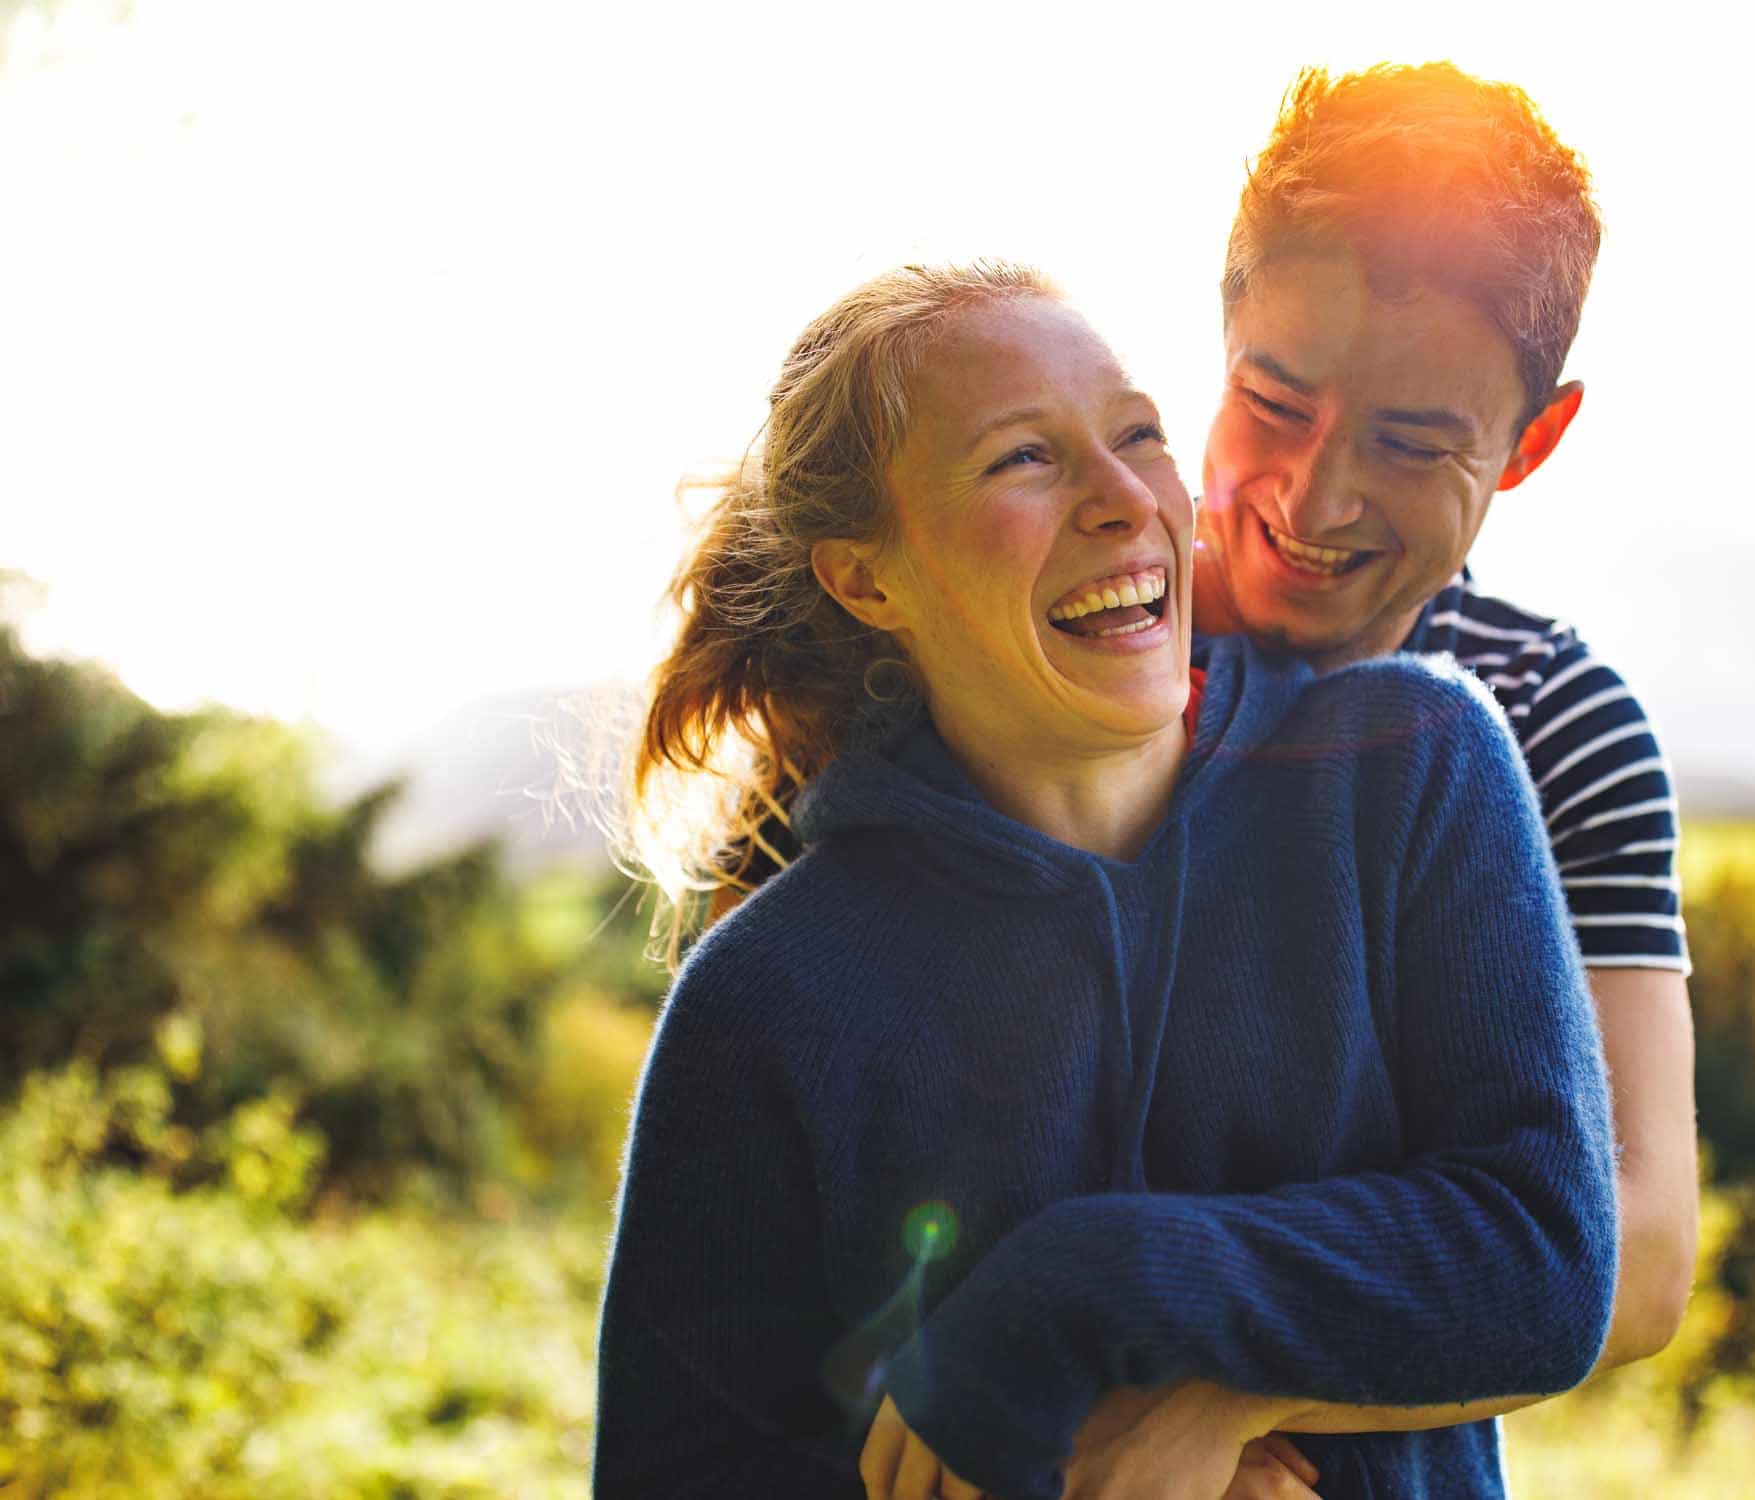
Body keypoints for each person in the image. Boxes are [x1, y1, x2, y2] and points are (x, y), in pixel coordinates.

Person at [594, 261, 1617, 1499]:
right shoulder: (765, 999)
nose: (1126, 498)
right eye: (1023, 458)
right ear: (866, 577)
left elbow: (1545, 1265)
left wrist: (1086, 1290)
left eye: (1139, 435)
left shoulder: (1410, 767)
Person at [1191, 62, 1700, 1392]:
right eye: (1273, 405)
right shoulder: (1053, 625)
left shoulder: (1552, 722)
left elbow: (1638, 1256)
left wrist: (1227, 1395)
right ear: (1223, 321)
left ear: (1531, 441)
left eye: (1412, 447)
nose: (1312, 501)